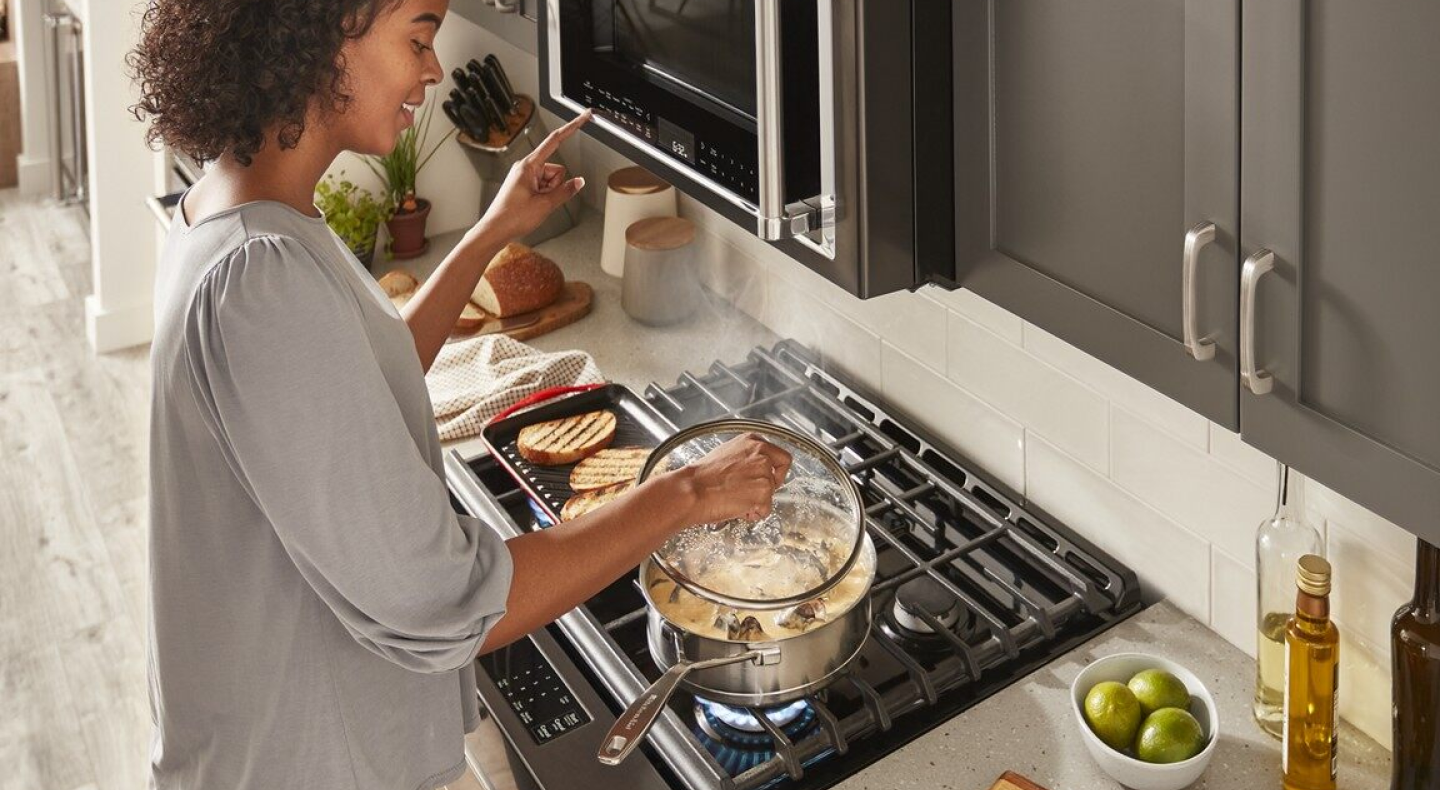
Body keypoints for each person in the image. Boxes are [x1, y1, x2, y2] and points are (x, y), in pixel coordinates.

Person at [129, 1, 793, 788]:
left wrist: (489, 232)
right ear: (318, 29)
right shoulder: (260, 275)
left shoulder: (241, 210)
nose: (434, 70)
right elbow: (440, 600)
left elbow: (364, 379)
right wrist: (685, 493)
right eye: (418, 37)